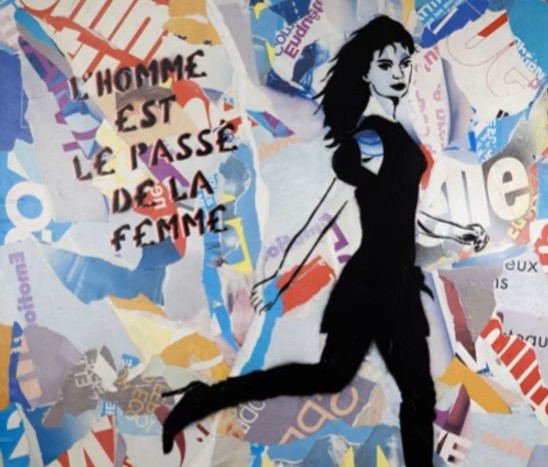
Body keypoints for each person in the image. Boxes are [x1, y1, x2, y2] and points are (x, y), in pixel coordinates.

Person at [161, 15, 488, 466]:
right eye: (386, 64)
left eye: (403, 63)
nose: (399, 73)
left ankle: (206, 398)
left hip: (395, 278)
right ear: (366, 72)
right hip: (372, 281)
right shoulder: (369, 140)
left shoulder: (400, 134)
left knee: (396, 388)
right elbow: (326, 209)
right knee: (348, 380)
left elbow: (407, 217)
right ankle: (206, 398)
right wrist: (280, 276)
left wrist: (455, 232)